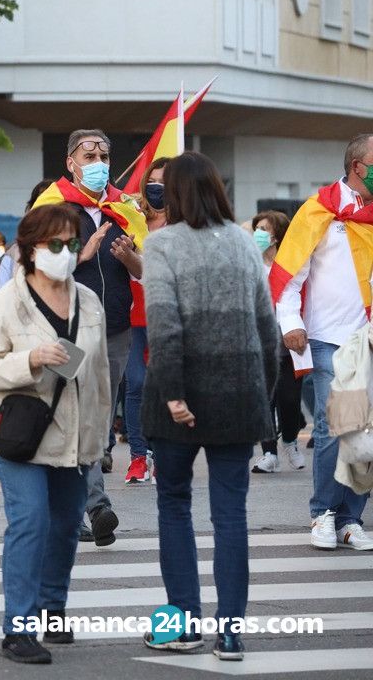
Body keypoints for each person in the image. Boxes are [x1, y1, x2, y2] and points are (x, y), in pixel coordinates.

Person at [141, 152, 280, 660]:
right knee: (231, 516)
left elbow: (165, 324)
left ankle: (184, 623)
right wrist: (260, 398)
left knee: (174, 507)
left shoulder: (162, 244)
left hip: (177, 399)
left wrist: (174, 393)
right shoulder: (245, 243)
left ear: (173, 193)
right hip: (239, 397)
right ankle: (230, 633)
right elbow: (268, 329)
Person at [0, 203, 111, 665]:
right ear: (30, 249)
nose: (65, 252)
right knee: (30, 520)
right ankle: (19, 628)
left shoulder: (88, 301)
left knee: (67, 523)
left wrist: (99, 437)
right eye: (56, 244)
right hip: (18, 433)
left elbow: (101, 376)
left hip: (74, 434)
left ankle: (53, 608)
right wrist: (30, 360)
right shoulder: (5, 302)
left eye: (72, 244)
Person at [34, 131, 147, 546]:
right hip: (66, 331)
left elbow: (144, 269)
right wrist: (79, 256)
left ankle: (75, 506)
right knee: (73, 413)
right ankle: (96, 505)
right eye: (89, 154)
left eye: (104, 154)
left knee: (96, 420)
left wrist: (130, 257)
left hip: (115, 329)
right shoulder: (52, 205)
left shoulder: (123, 208)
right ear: (70, 162)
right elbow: (36, 268)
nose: (98, 161)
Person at [272, 133, 373, 550]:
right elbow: (288, 274)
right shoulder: (317, 212)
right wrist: (290, 322)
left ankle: (351, 518)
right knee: (335, 428)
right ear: (357, 166)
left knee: (364, 432)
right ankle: (323, 514)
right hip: (330, 338)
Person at [121, 157, 169, 484]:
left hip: (167, 315)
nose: (157, 188)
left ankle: (161, 451)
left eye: (165, 183)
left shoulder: (187, 224)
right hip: (132, 312)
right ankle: (139, 456)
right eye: (152, 181)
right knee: (135, 383)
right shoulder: (130, 218)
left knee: (164, 387)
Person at [249, 210, 306, 474]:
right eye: (256, 228)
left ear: (278, 235)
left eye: (265, 229)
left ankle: (291, 439)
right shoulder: (249, 265)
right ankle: (269, 454)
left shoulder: (290, 266)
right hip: (259, 345)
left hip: (288, 347)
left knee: (290, 401)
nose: (259, 233)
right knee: (264, 400)